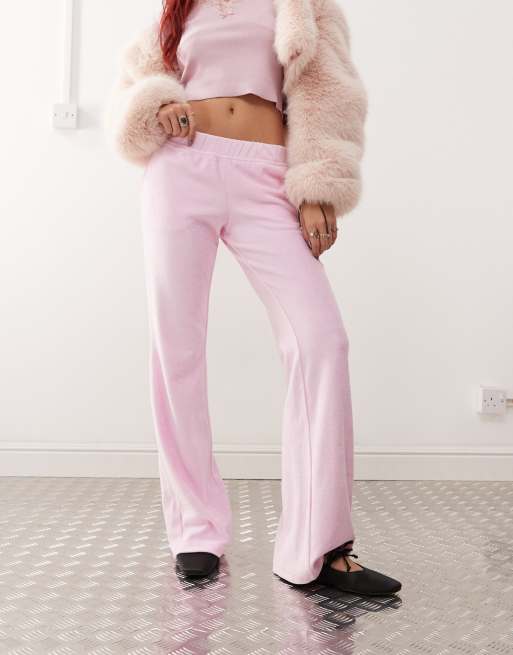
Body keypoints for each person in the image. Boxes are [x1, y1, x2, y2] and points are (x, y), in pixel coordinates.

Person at [103, 0, 401, 596]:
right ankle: (195, 528)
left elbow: (329, 92)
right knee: (177, 348)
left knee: (321, 341)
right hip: (180, 170)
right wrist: (156, 106)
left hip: (266, 174)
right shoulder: (177, 10)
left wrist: (317, 185)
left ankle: (320, 547)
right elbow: (132, 87)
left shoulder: (303, 6)